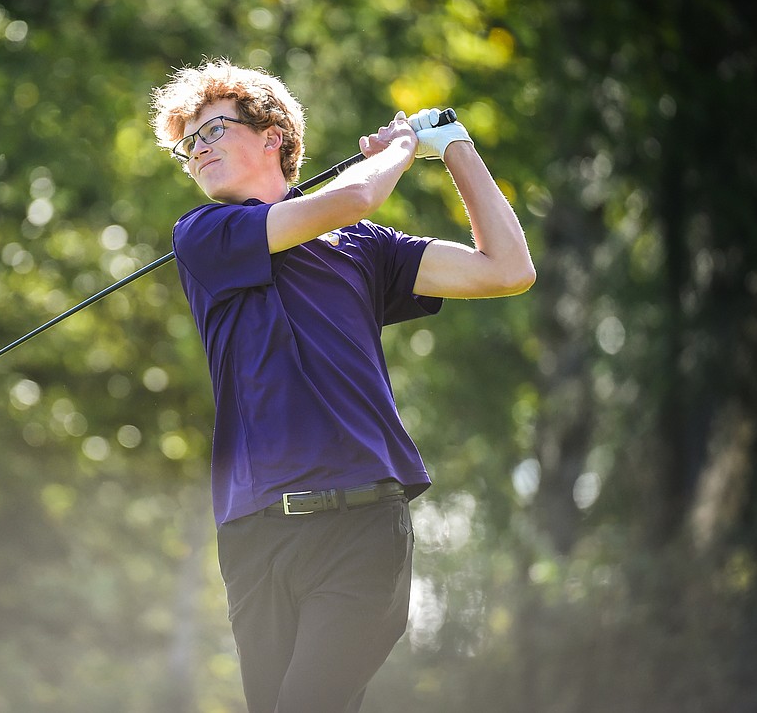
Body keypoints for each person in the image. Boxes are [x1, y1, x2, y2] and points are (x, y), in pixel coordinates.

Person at [149, 59, 535, 713]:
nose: (198, 150)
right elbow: (355, 195)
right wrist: (405, 149)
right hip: (255, 537)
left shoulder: (365, 248)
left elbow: (508, 268)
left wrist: (452, 142)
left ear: (271, 136)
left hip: (363, 525)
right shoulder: (204, 235)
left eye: (212, 130)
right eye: (188, 144)